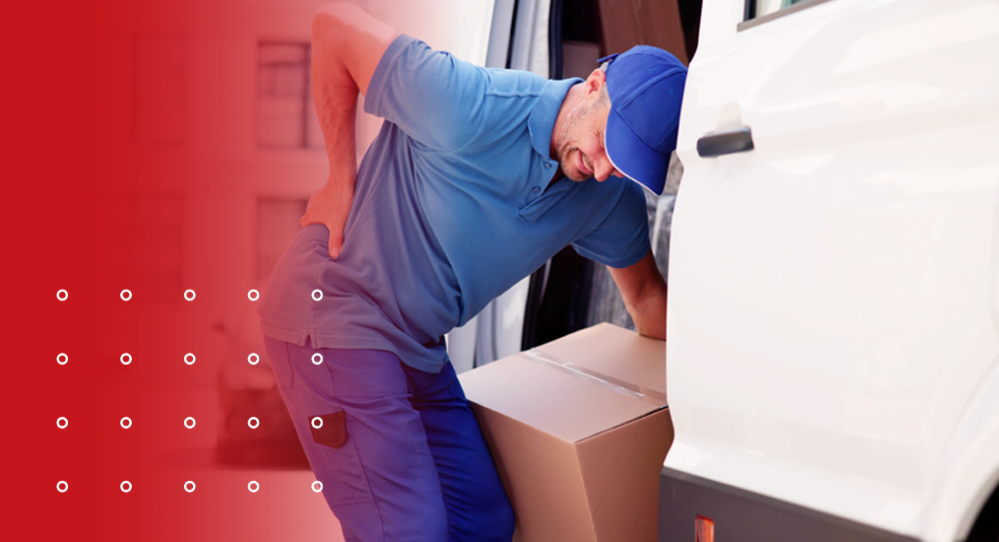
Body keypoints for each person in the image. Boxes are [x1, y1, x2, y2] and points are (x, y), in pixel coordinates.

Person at [257, 3, 687, 541]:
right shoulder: (472, 104)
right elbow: (333, 31)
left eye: (623, 164)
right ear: (595, 83)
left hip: (413, 343)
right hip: (332, 318)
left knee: (482, 521)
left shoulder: (605, 198)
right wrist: (340, 181)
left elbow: (647, 300)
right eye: (608, 144)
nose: (602, 168)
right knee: (411, 529)